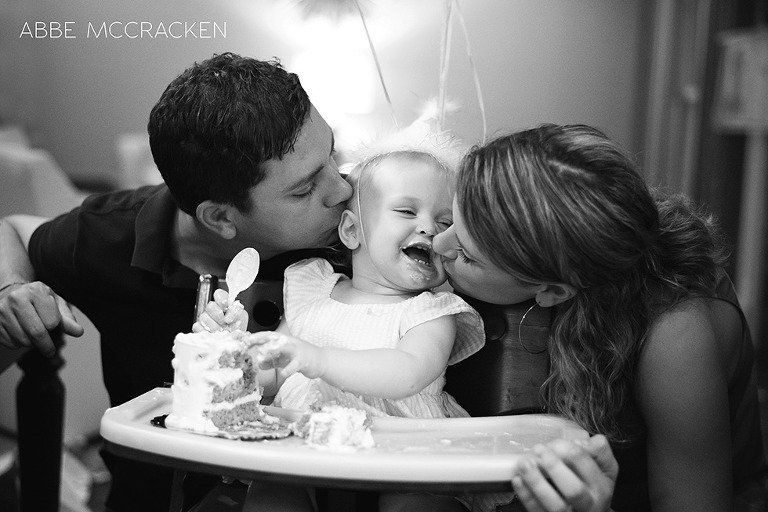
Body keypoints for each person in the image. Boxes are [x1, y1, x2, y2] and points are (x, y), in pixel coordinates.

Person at [0, 52, 353, 512]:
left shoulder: (355, 234)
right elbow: (14, 230)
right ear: (221, 218)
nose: (342, 189)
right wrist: (10, 289)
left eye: (332, 154)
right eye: (304, 189)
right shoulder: (112, 236)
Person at [431, 123, 767, 511]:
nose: (440, 244)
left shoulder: (676, 336)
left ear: (554, 291)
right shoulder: (567, 241)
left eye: (469, 256)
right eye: (451, 221)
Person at [199, 139, 504, 511]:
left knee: (417, 503)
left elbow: (409, 373)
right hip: (303, 439)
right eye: (407, 211)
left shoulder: (432, 311)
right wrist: (236, 350)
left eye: (445, 222)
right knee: (271, 494)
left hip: (405, 449)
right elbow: (273, 376)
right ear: (352, 231)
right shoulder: (312, 290)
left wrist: (321, 360)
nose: (428, 228)